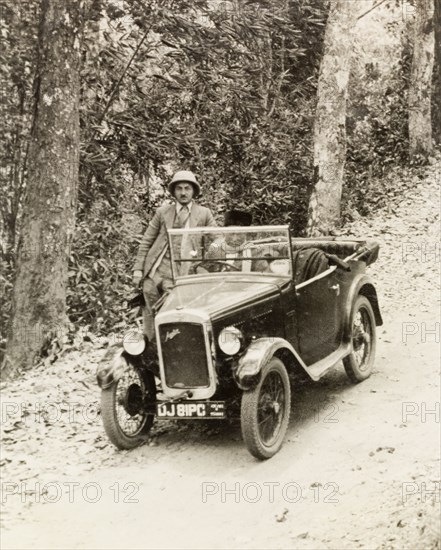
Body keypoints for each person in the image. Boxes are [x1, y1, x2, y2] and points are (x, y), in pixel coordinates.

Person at [133, 170, 217, 339]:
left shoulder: (204, 213)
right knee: (150, 313)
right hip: (156, 271)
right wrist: (138, 270)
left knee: (176, 315)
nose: (183, 192)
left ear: (194, 191)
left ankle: (176, 351)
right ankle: (150, 352)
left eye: (187, 188)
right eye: (179, 188)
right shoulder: (163, 212)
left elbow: (217, 240)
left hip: (183, 274)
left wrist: (209, 260)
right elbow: (147, 241)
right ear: (173, 191)